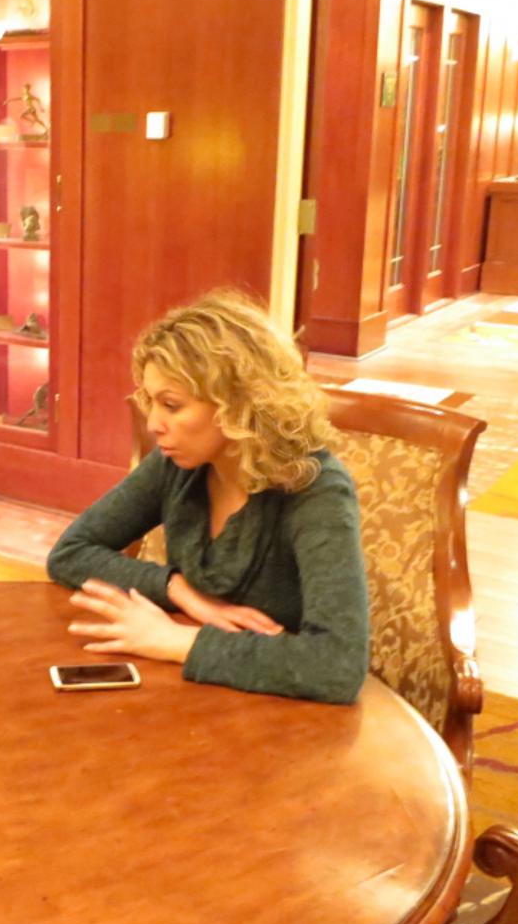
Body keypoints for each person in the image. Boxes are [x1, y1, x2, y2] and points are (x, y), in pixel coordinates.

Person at [46, 290, 369, 705]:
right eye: (151, 401)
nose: (153, 424)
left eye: (172, 405)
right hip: (189, 695)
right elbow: (70, 553)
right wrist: (179, 590)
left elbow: (337, 666)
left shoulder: (315, 489)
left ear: (239, 404)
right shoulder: (180, 464)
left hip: (281, 710)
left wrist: (176, 640)